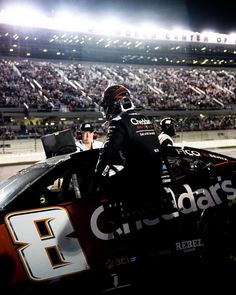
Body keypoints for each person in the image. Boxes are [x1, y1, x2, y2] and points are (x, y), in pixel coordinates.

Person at [89, 84, 176, 214]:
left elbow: (106, 156)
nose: (105, 109)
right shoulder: (144, 119)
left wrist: (94, 184)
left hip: (137, 183)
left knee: (103, 190)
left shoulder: (118, 121)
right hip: (156, 181)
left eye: (106, 105)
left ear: (115, 103)